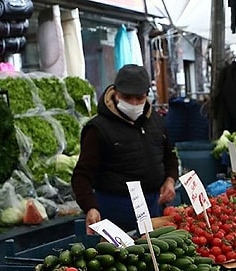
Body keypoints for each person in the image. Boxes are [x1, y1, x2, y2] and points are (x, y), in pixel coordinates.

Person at [72, 64, 178, 233]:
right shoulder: (97, 128)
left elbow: (170, 156)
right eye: (127, 97)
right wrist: (90, 207)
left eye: (139, 98)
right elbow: (81, 175)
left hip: (153, 205)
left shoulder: (156, 121)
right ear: (116, 93)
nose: (134, 103)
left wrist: (170, 180)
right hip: (115, 208)